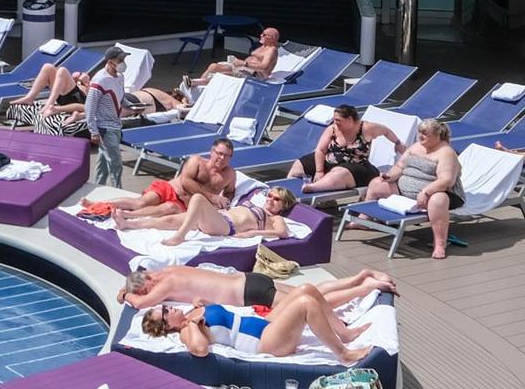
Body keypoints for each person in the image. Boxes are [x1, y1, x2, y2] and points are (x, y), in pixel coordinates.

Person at [139, 287, 372, 365]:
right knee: (306, 304)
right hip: (267, 342)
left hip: (265, 324)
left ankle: (344, 333)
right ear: (167, 327)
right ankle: (344, 354)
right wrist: (190, 325)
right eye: (166, 313)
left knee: (306, 289)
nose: (170, 308)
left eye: (167, 307)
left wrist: (204, 306)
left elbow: (221, 317)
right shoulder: (186, 332)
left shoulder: (192, 312)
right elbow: (200, 350)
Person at [361, 118, 463, 259]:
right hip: (405, 190)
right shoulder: (416, 147)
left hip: (438, 193)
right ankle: (363, 219)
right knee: (376, 183)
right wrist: (389, 176)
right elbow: (400, 167)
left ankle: (439, 244)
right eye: (419, 132)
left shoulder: (446, 153)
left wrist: (426, 192)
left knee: (438, 199)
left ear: (437, 136)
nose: (420, 136)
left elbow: (446, 181)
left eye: (425, 134)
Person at [119, 264, 395, 312]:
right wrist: (130, 285)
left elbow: (143, 303)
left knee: (318, 303)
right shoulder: (171, 270)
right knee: (313, 290)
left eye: (144, 289)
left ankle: (365, 287)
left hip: (249, 294)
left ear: (148, 283)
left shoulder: (166, 283)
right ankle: (360, 277)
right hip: (251, 280)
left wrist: (127, 295)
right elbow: (142, 279)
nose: (149, 295)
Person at [105, 139, 238, 227]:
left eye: (227, 155)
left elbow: (230, 192)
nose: (222, 158)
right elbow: (186, 182)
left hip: (184, 204)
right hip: (170, 189)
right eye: (219, 153)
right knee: (141, 203)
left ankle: (126, 216)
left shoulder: (230, 174)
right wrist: (212, 197)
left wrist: (226, 201)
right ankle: (98, 204)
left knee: (168, 209)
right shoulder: (196, 161)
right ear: (212, 152)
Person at [288, 104, 403, 193]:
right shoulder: (333, 129)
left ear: (350, 119)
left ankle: (313, 188)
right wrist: (319, 171)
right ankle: (286, 187)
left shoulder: (367, 128)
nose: (335, 122)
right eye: (334, 119)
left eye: (338, 120)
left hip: (358, 167)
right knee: (300, 164)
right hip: (330, 161)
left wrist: (397, 143)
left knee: (339, 173)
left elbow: (386, 131)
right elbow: (320, 150)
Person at [156, 186, 297, 246]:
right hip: (218, 217)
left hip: (226, 226)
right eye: (270, 195)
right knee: (170, 220)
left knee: (198, 198)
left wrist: (253, 233)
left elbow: (282, 232)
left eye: (276, 199)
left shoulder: (275, 218)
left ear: (284, 205)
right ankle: (133, 223)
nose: (270, 199)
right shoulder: (256, 205)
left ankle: (180, 236)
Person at [86, 49, 126, 187]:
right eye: (120, 60)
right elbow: (89, 107)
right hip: (105, 128)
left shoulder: (120, 76)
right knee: (116, 164)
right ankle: (118, 191)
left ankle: (97, 188)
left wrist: (133, 106)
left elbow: (121, 96)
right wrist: (94, 131)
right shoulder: (100, 80)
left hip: (116, 125)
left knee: (103, 164)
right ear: (110, 62)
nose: (123, 63)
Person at [193, 27, 280, 86]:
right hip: (243, 68)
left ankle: (196, 83)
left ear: (272, 38)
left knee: (222, 75)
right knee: (213, 66)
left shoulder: (271, 50)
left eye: (264, 34)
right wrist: (239, 62)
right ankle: (197, 84)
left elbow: (264, 67)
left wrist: (244, 63)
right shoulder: (263, 46)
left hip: (254, 75)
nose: (261, 35)